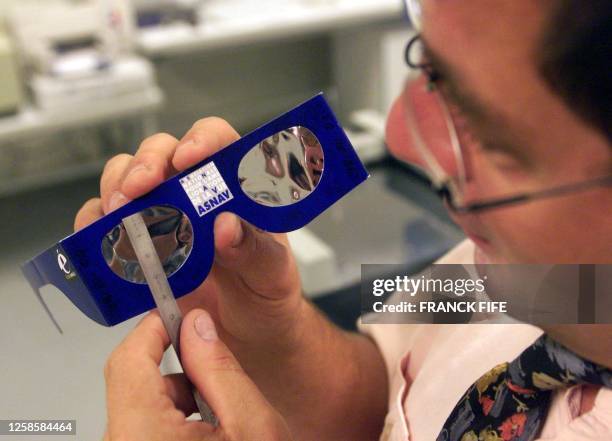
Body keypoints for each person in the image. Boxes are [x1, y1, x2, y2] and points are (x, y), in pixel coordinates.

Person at [74, 0, 612, 439]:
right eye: (428, 71)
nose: (400, 136)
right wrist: (269, 334)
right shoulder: (534, 272)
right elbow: (389, 391)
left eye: (490, 135)